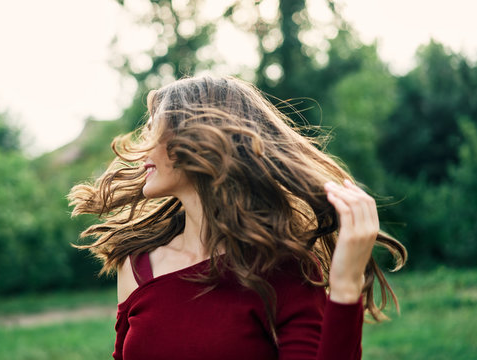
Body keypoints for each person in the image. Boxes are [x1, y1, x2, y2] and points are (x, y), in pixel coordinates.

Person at [68, 75, 407, 360]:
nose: (144, 147)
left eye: (155, 130)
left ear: (198, 142)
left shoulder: (284, 273)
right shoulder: (138, 266)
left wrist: (346, 285)